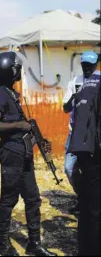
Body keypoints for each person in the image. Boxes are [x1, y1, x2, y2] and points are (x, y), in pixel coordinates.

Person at [0, 51, 57, 256]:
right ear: (11, 71)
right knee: (8, 200)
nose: (20, 71)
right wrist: (20, 124)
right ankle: (3, 245)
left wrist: (40, 140)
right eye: (17, 68)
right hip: (11, 153)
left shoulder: (12, 93)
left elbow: (24, 129)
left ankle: (34, 244)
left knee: (33, 198)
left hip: (23, 154)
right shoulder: (0, 93)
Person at [67, 51, 100, 256]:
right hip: (94, 154)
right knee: (95, 209)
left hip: (82, 151)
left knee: (88, 208)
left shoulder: (84, 90)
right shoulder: (94, 87)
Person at [62, 51, 98, 214]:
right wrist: (76, 96)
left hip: (93, 135)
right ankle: (81, 196)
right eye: (84, 65)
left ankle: (90, 199)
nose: (87, 68)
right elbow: (65, 108)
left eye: (90, 65)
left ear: (96, 65)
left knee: (92, 170)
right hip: (75, 134)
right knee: (70, 168)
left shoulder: (99, 81)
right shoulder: (75, 81)